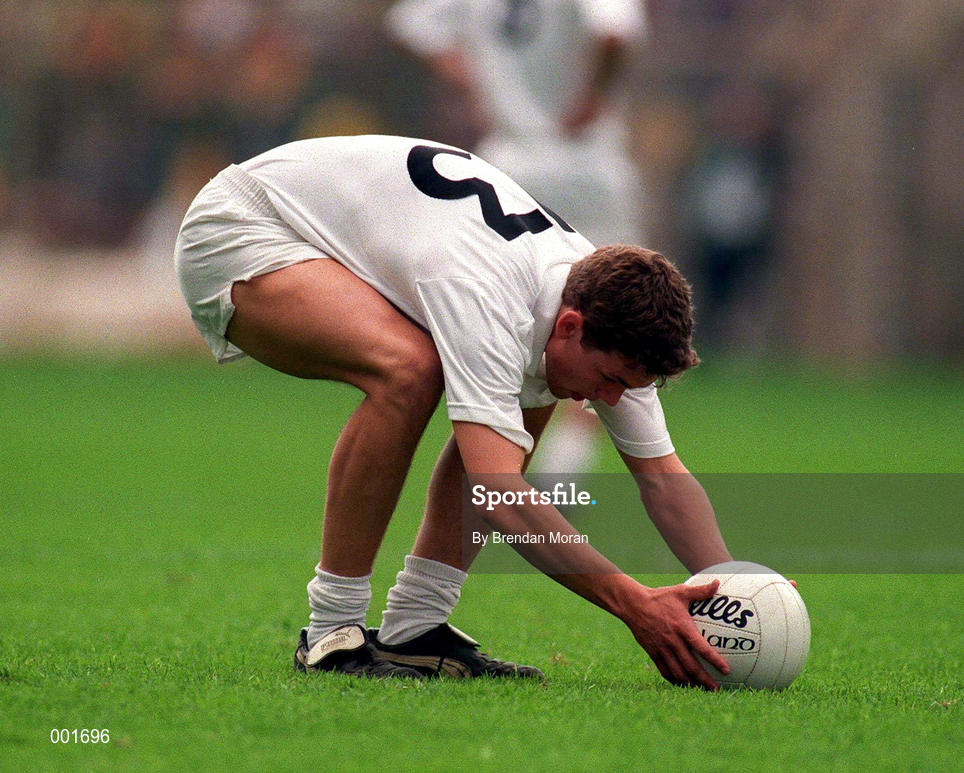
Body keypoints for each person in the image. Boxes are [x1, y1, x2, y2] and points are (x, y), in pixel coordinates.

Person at [173, 134, 734, 689]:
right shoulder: (487, 294)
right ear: (570, 326)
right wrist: (635, 604)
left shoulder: (606, 304)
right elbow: (500, 493)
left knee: (537, 389)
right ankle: (331, 634)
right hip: (245, 226)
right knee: (409, 371)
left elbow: (663, 480)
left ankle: (415, 628)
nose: (608, 401)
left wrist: (731, 586)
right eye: (610, 381)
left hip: (331, 230)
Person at [386, 0, 649, 475]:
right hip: (586, 157)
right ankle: (567, 462)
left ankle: (485, 438)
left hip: (506, 158)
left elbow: (413, 26)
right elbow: (614, 33)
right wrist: (593, 98)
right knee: (615, 304)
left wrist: (485, 84)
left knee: (505, 307)